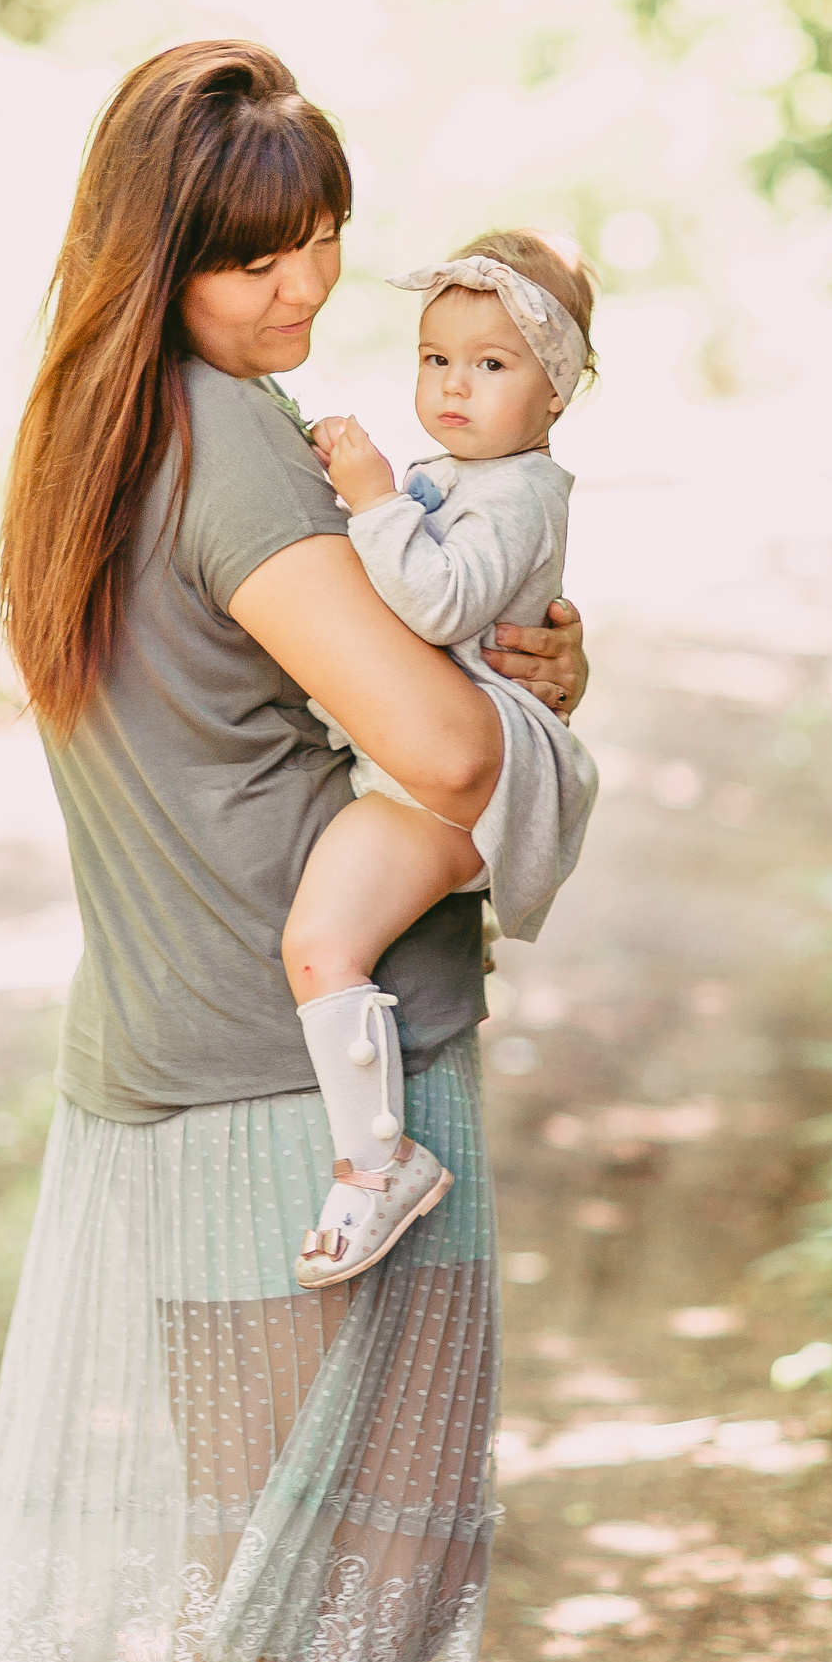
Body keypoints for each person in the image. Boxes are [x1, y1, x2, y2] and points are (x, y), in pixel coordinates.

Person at [0, 40, 588, 1662]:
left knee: (241, 1598)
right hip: (310, 1085)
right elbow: (421, 735)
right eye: (256, 250)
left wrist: (495, 667)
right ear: (172, 251)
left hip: (161, 1065)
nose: (307, 280)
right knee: (362, 1596)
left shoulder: (93, 424)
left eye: (325, 233)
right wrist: (523, 706)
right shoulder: (237, 447)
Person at [283, 232, 600, 1288]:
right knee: (332, 938)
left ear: (557, 392)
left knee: (321, 944)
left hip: (445, 786)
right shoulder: (464, 474)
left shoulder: (517, 493)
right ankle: (377, 1154)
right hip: (428, 773)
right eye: (435, 359)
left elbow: (441, 599)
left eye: (493, 364)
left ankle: (378, 1166)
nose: (455, 385)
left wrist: (372, 499)